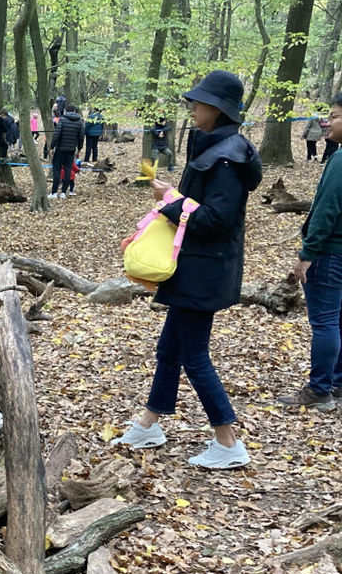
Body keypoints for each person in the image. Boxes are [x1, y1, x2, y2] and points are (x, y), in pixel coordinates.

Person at [111, 69, 262, 469]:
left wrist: (171, 201)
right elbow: (204, 209)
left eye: (198, 102)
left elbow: (216, 219)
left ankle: (228, 443)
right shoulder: (217, 146)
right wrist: (175, 197)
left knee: (194, 356)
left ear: (218, 109)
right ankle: (150, 423)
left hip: (205, 269)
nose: (192, 107)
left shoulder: (228, 157)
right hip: (194, 266)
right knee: (169, 350)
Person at [277, 93, 342, 412]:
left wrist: (307, 255)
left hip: (329, 254)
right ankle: (337, 381)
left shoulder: (340, 161)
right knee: (339, 319)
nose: (328, 122)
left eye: (335, 116)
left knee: (326, 322)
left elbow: (325, 212)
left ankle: (320, 390)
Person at [49, 105, 83, 198]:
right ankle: (63, 192)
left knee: (57, 170)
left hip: (60, 149)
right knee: (68, 170)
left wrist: (52, 147)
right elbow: (81, 137)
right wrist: (79, 149)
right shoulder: (80, 122)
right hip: (71, 150)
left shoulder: (62, 120)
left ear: (65, 110)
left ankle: (54, 193)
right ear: (75, 111)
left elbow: (56, 134)